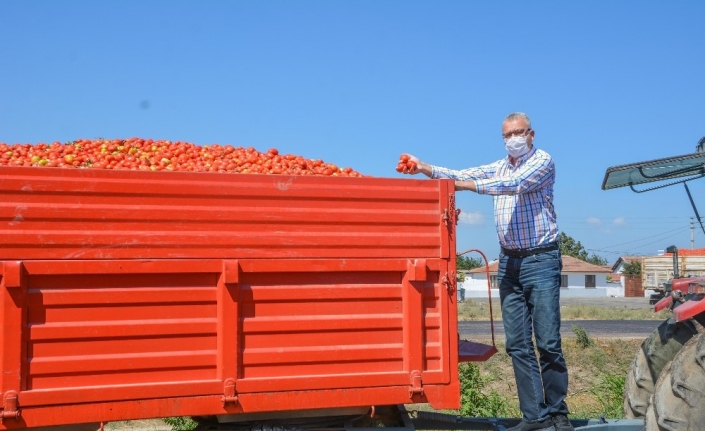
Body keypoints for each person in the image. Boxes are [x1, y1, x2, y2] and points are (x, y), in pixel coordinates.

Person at [405, 112, 572, 431]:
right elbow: (459, 172)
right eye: (507, 135)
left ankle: (558, 412)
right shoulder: (498, 165)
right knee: (518, 344)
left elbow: (512, 185)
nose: (513, 139)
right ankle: (535, 415)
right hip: (509, 262)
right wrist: (425, 168)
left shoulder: (543, 162)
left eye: (518, 133)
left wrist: (465, 185)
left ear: (531, 134)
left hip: (541, 259)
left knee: (548, 341)